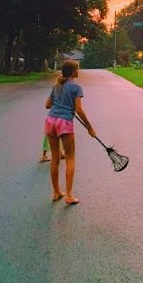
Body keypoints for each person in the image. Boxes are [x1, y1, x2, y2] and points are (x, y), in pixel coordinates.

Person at [44, 60, 96, 205]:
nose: (79, 71)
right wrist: (89, 127)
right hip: (64, 123)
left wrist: (61, 102)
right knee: (70, 158)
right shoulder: (76, 88)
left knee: (55, 158)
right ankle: (68, 195)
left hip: (51, 121)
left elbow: (47, 105)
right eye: (78, 69)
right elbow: (79, 109)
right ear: (73, 72)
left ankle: (56, 193)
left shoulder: (57, 86)